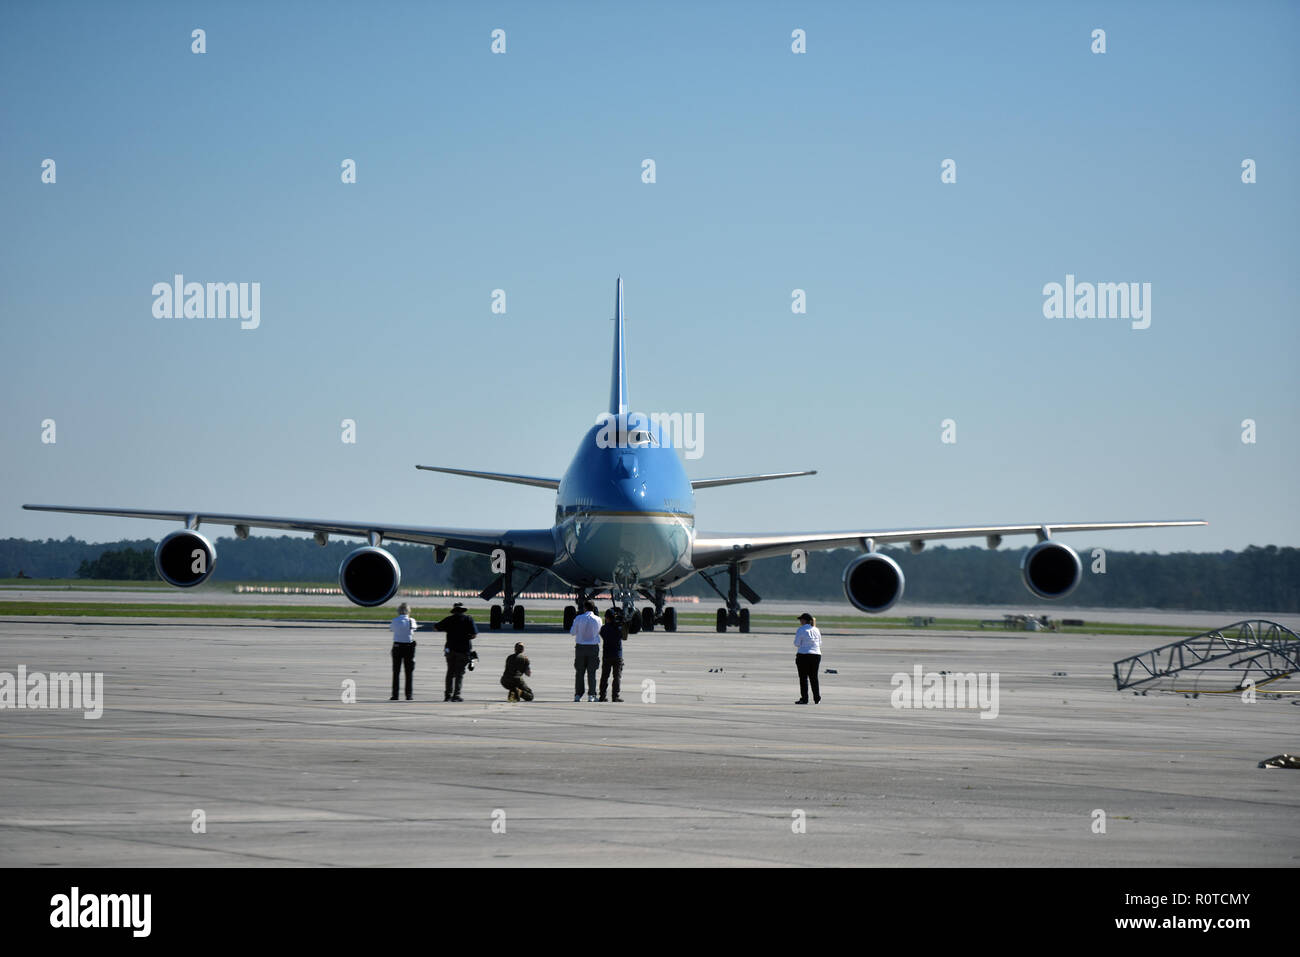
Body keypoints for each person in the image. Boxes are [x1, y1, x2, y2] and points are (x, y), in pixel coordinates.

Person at [436, 602, 477, 702]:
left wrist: (449, 631)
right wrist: (465, 637)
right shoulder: (468, 619)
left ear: (454, 610)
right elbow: (474, 634)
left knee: (450, 672)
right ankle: (456, 695)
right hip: (463, 650)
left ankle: (447, 695)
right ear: (463, 610)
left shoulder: (449, 619)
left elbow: (436, 627)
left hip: (450, 650)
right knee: (459, 674)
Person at [569, 600, 601, 702]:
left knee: (579, 672)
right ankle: (591, 695)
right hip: (593, 647)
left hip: (580, 647)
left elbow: (572, 632)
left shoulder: (578, 618)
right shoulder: (598, 619)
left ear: (584, 608)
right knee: (592, 672)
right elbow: (599, 632)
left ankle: (578, 695)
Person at [598, 608, 628, 702]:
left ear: (607, 618)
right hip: (617, 655)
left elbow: (602, 633)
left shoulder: (604, 628)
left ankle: (602, 696)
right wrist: (624, 624)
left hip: (607, 655)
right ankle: (615, 696)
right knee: (617, 677)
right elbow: (625, 637)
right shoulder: (618, 628)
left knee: (604, 676)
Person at [389, 602, 417, 701]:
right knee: (409, 672)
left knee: (396, 672)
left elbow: (392, 629)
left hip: (397, 646)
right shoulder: (411, 620)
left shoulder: (395, 620)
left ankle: (395, 695)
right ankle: (408, 695)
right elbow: (413, 630)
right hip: (408, 647)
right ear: (408, 611)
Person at [793, 612, 822, 704]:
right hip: (816, 655)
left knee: (803, 678)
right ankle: (817, 698)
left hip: (804, 655)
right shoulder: (816, 630)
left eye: (801, 619)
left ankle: (804, 698)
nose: (800, 621)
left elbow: (796, 643)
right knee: (814, 677)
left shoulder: (801, 630)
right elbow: (820, 643)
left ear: (805, 621)